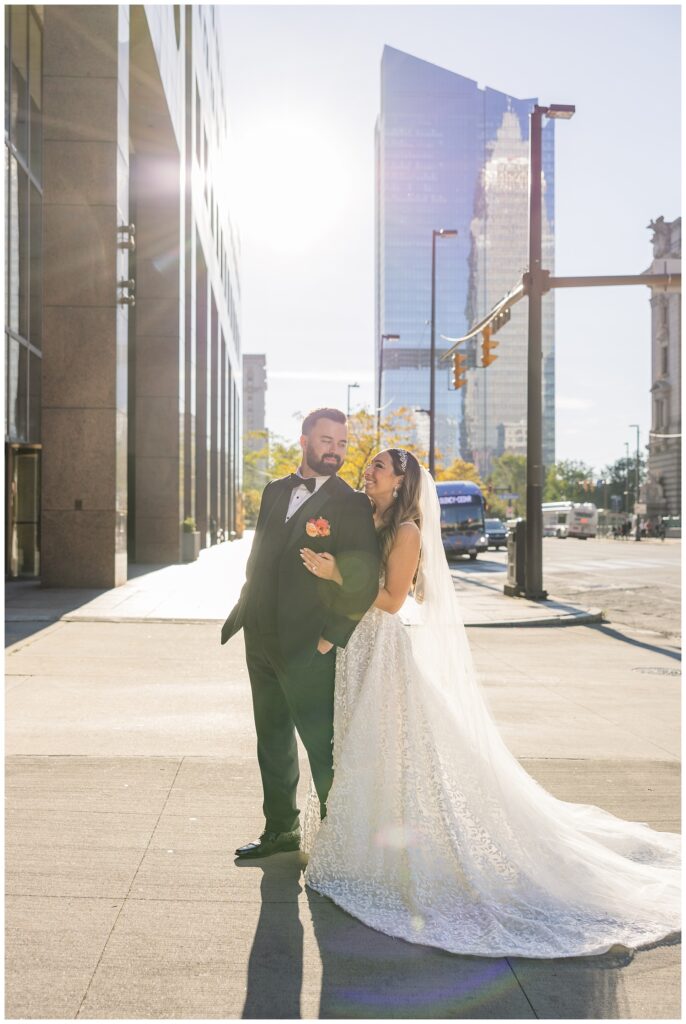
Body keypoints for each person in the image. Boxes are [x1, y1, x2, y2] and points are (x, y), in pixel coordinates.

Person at [299, 448, 680, 958]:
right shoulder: (367, 517)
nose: (367, 472)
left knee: (388, 751)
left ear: (401, 481)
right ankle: (359, 851)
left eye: (378, 468)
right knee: (359, 747)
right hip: (356, 648)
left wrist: (336, 576)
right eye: (369, 466)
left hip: (382, 648)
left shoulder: (407, 530)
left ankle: (393, 859)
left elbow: (393, 600)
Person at [221, 408, 380, 860]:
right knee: (271, 737)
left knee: (321, 745)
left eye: (343, 443)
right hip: (261, 637)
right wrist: (245, 608)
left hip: (310, 643)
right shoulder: (274, 490)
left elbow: (364, 580)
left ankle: (339, 843)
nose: (336, 450)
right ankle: (280, 831)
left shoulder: (351, 503)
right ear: (305, 441)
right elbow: (258, 558)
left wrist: (332, 636)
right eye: (327, 440)